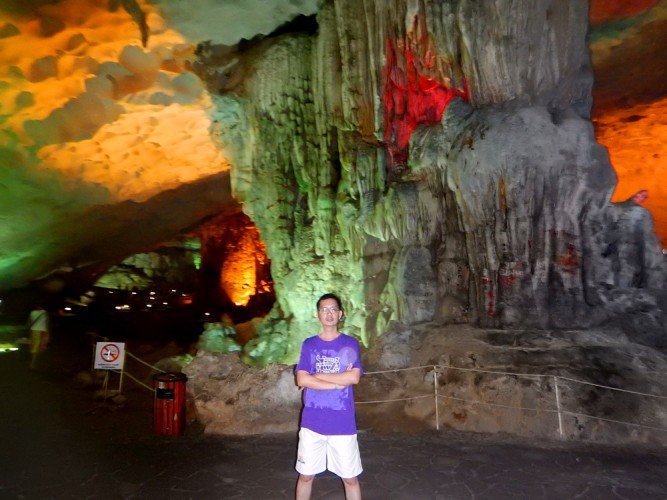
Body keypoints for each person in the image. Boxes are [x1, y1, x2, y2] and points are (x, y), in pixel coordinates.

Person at [294, 293, 363, 500]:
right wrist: (336, 384)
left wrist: (317, 376)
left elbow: (354, 377)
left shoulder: (349, 343)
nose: (329, 314)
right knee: (305, 476)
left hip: (342, 422)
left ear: (340, 314)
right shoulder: (309, 344)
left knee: (350, 479)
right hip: (312, 422)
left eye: (333, 309)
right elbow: (301, 379)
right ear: (318, 315)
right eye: (324, 310)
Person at [27, 305, 49, 369]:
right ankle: (32, 363)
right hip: (42, 331)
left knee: (34, 346)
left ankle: (33, 362)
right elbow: (47, 324)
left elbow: (28, 323)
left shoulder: (32, 312)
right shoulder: (45, 313)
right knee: (39, 347)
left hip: (33, 330)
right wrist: (48, 333)